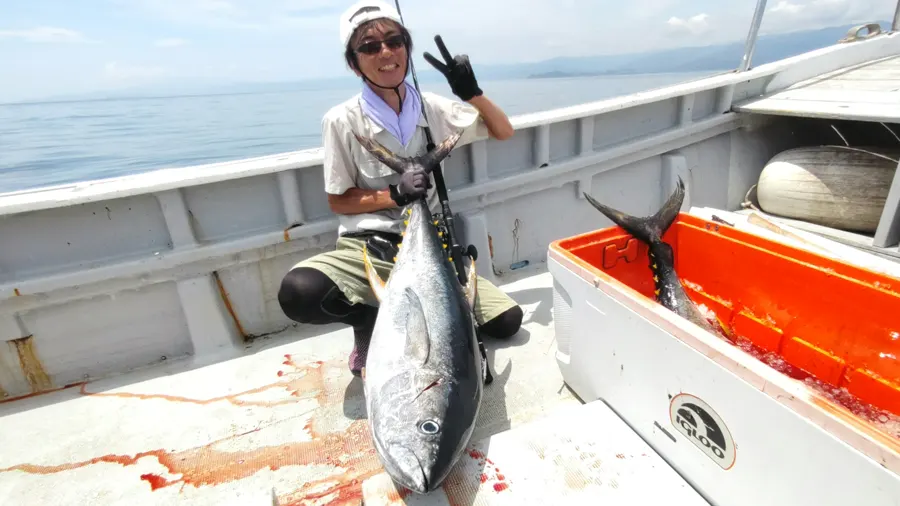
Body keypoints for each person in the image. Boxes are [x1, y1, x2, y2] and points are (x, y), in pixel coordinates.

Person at [277, 0, 523, 377]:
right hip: (371, 247)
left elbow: (503, 130)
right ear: (353, 62)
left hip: (434, 248)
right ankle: (369, 323)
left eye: (394, 41)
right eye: (370, 47)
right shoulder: (341, 121)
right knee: (300, 292)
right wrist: (394, 195)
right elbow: (337, 199)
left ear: (406, 48)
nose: (386, 53)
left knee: (508, 321)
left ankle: (404, 310)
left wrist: (470, 92)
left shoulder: (433, 108)